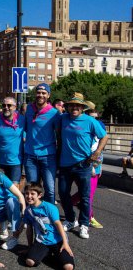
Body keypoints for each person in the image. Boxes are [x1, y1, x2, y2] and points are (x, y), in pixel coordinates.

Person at [58, 93, 108, 239]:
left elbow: (104, 136)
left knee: (85, 197)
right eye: (72, 105)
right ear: (67, 107)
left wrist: (97, 152)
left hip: (83, 164)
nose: (75, 108)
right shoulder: (63, 119)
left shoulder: (90, 121)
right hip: (65, 165)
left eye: (78, 106)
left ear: (82, 108)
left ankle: (84, 224)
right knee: (63, 193)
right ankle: (70, 219)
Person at [8, 183, 74, 269]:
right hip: (42, 241)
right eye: (27, 193)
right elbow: (29, 230)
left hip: (57, 241)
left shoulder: (49, 207)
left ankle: (50, 254)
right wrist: (30, 247)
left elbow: (59, 225)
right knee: (30, 262)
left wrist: (65, 243)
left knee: (68, 267)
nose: (29, 196)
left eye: (32, 194)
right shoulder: (28, 210)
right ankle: (46, 252)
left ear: (40, 195)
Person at [24, 83, 60, 204]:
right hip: (30, 155)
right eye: (38, 92)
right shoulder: (28, 109)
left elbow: (59, 134)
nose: (41, 95)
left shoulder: (54, 113)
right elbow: (24, 128)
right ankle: (33, 214)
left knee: (49, 189)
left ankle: (50, 215)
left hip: (48, 156)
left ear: (48, 95)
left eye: (44, 93)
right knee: (32, 189)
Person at [0, 97, 25, 186]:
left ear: (15, 107)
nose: (6, 107)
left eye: (9, 105)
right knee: (0, 187)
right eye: (4, 105)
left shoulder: (22, 120)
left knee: (14, 190)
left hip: (16, 161)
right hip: (0, 161)